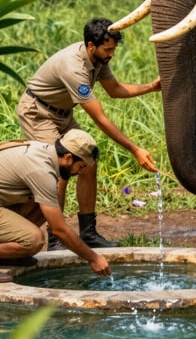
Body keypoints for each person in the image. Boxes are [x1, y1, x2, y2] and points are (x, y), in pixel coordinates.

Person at [16, 17, 161, 248]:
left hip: (63, 114)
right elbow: (100, 118)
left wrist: (151, 88)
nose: (112, 54)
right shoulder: (73, 67)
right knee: (60, 168)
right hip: (38, 113)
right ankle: (56, 238)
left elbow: (114, 90)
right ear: (91, 45)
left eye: (113, 49)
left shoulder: (99, 58)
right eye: (108, 49)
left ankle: (88, 234)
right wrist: (135, 149)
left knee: (88, 161)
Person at [0, 130, 111, 278]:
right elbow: (59, 230)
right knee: (33, 240)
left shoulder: (45, 153)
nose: (80, 172)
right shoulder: (41, 170)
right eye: (81, 166)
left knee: (46, 203)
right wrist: (93, 258)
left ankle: (7, 254)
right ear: (68, 157)